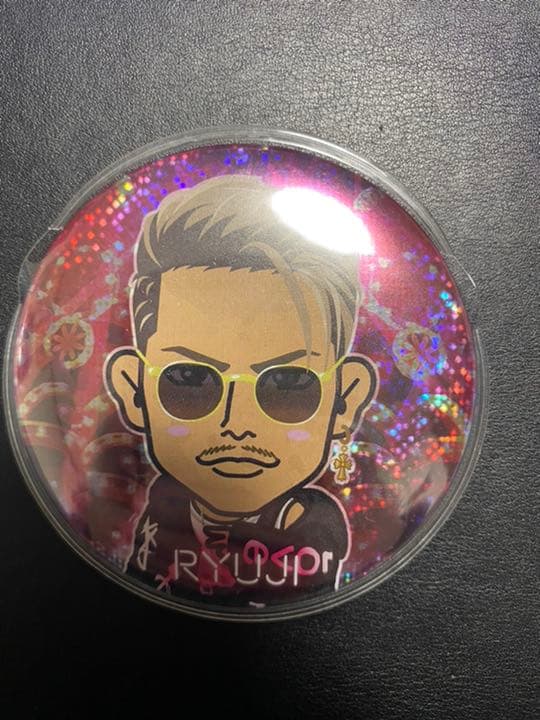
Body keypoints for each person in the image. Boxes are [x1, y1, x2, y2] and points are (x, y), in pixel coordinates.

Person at [105, 174, 378, 607]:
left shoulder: (315, 543)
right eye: (190, 379)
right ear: (133, 388)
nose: (237, 425)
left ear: (346, 399)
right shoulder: (156, 517)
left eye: (287, 383)